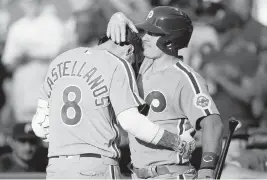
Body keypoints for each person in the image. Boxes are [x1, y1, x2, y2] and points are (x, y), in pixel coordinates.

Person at [31, 27, 196, 179]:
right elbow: (132, 123)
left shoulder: (60, 60)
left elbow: (39, 128)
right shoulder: (117, 64)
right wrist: (178, 143)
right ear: (130, 50)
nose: (134, 67)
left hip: (56, 167)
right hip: (96, 166)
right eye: (136, 61)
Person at [106, 7, 224, 179]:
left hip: (171, 174)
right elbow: (114, 46)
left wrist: (207, 168)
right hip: (138, 174)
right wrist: (117, 17)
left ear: (170, 40)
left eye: (153, 34)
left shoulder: (186, 78)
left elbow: (213, 124)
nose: (144, 37)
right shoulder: (143, 66)